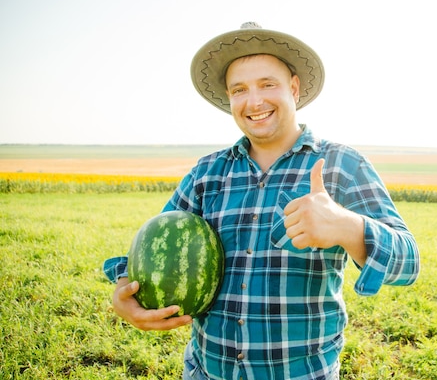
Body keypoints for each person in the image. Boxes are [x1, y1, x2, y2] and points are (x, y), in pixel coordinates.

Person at [103, 22, 420, 380]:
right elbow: (153, 245)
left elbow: (408, 264)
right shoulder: (208, 173)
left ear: (294, 89)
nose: (254, 101)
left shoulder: (341, 166)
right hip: (206, 372)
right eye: (239, 89)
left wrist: (347, 227)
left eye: (267, 84)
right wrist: (123, 289)